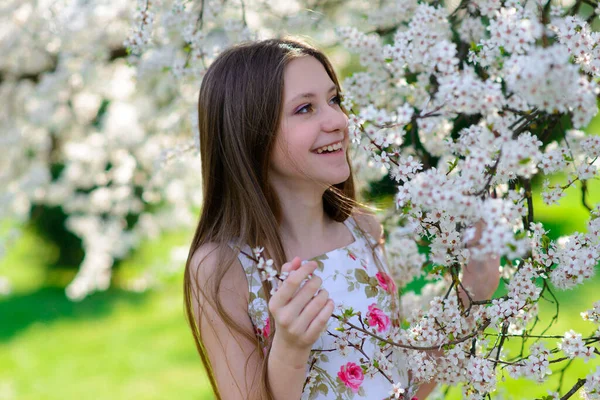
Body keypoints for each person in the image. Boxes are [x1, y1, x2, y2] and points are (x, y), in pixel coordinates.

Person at [183, 38, 500, 400]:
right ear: (251, 133)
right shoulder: (223, 268)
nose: (338, 120)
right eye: (305, 109)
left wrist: (473, 287)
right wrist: (290, 349)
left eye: (334, 100)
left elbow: (401, 385)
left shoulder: (362, 230)